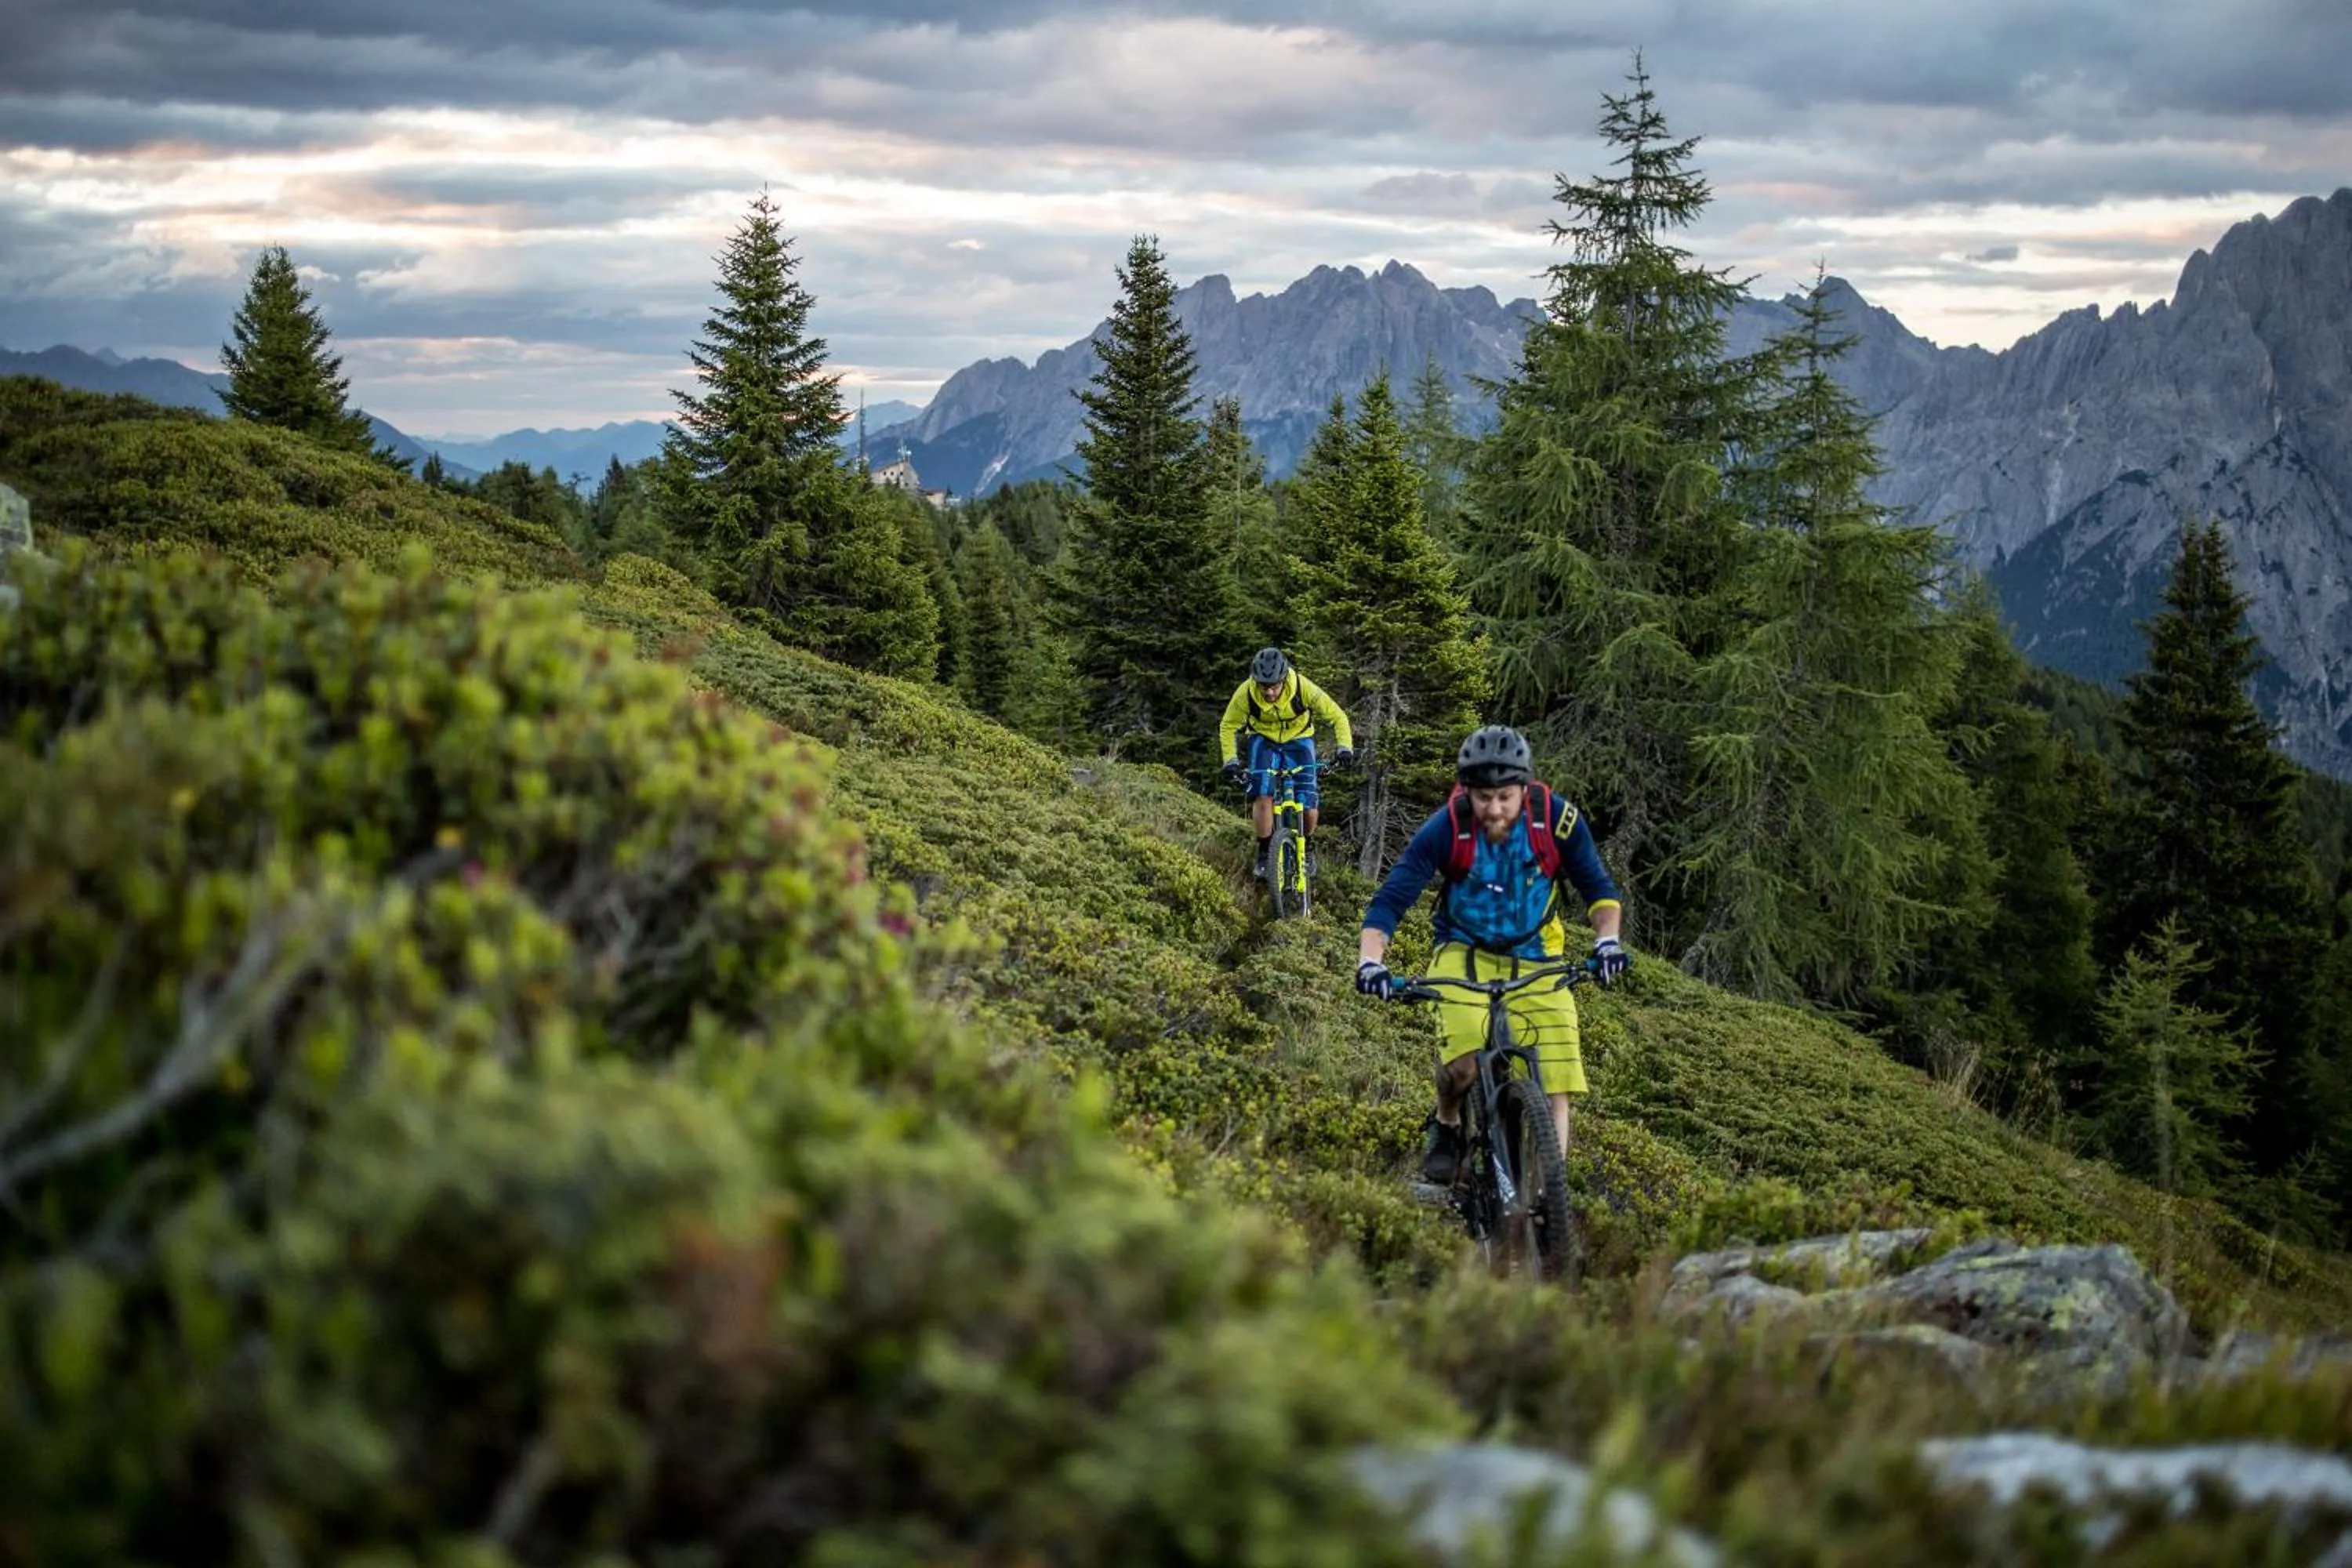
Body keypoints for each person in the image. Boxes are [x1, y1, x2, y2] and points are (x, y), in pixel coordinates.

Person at [1352, 724, 1627, 1184]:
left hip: (1539, 956)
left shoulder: (1557, 822)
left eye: (1504, 797)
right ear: (1467, 791)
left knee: (1556, 1084)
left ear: (1524, 788)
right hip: (1463, 950)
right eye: (1483, 797)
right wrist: (1370, 961)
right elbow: (1390, 901)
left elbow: (1599, 890)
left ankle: (1548, 1197)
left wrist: (1607, 941)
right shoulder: (1448, 827)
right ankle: (1447, 1121)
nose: (1494, 809)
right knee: (1462, 1065)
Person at [1218, 647, 1355, 879]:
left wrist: (1345, 748)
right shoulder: (1246, 693)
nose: (1269, 692)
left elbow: (1337, 716)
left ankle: (1307, 847)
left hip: (1299, 740)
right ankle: (1264, 853)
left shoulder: (1302, 687)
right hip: (1264, 740)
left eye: (1274, 686)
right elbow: (1228, 726)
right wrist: (1230, 761)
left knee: (1309, 803)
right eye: (1264, 686)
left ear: (1284, 678)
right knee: (1263, 793)